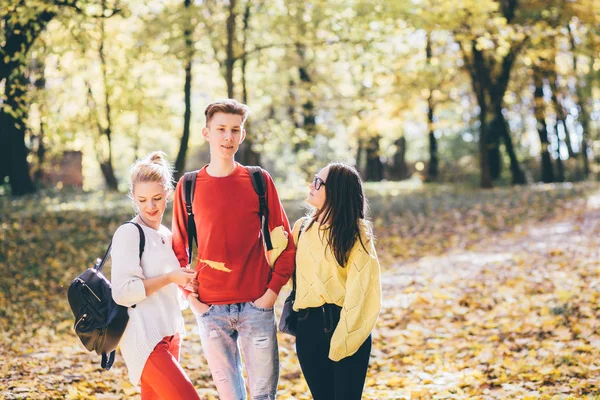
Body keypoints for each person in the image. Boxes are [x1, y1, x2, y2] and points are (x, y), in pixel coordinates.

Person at [172, 99, 295, 400]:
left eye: (235, 130)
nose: (228, 137)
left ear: (242, 135)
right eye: (221, 129)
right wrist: (192, 299)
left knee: (264, 396)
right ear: (206, 133)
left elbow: (285, 241)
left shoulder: (258, 180)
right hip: (210, 309)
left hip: (257, 305)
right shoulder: (188, 186)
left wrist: (271, 294)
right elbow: (178, 249)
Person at [111, 151, 201, 400]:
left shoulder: (167, 234)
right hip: (145, 337)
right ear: (133, 198)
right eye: (142, 200)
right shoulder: (128, 233)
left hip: (170, 333)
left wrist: (185, 283)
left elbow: (173, 291)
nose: (150, 206)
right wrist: (170, 278)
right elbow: (122, 293)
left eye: (157, 198)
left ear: (168, 194)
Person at [292, 162, 381, 400]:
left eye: (319, 182)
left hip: (347, 325)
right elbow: (280, 273)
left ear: (337, 191)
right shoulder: (301, 228)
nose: (312, 185)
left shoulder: (357, 233)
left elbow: (362, 291)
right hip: (308, 328)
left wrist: (344, 339)